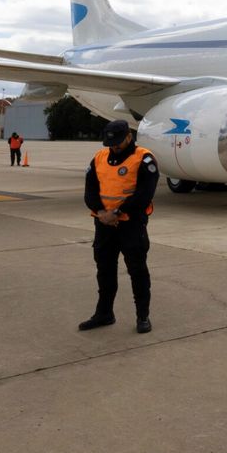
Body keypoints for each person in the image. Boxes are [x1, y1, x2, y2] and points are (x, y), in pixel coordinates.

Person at [79, 119, 159, 334]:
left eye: (117, 143)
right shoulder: (99, 157)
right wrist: (102, 212)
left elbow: (144, 194)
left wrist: (117, 212)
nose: (113, 147)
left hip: (131, 225)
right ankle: (104, 313)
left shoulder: (144, 158)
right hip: (104, 224)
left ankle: (143, 316)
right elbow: (90, 190)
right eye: (110, 143)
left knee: (137, 271)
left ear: (128, 137)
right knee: (104, 270)